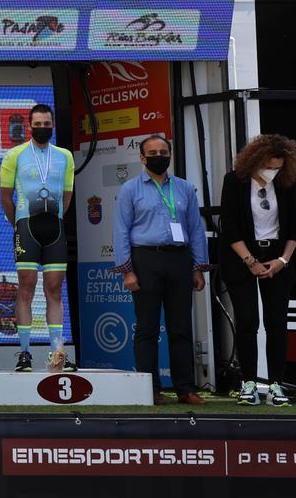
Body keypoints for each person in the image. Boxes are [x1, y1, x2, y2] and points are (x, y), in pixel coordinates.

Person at [113, 134, 210, 406]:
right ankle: (150, 390)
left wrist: (198, 268)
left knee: (181, 328)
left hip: (179, 260)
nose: (159, 156)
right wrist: (127, 271)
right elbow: (120, 231)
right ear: (142, 158)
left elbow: (195, 230)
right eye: (152, 152)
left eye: (163, 151)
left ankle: (185, 389)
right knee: (147, 329)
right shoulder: (130, 189)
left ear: (170, 155)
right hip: (145, 261)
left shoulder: (184, 189)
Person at [219, 134, 296, 407]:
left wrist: (282, 261)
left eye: (278, 167)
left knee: (276, 322)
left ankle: (277, 384)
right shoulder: (234, 182)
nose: (272, 172)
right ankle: (249, 383)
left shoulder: (287, 184)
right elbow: (229, 226)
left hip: (277, 256)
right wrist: (250, 261)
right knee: (247, 320)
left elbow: (294, 228)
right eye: (268, 166)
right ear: (254, 161)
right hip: (242, 256)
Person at [0, 103, 76, 373]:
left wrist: (56, 218)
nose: (43, 128)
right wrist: (18, 223)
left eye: (47, 124)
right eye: (38, 124)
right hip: (26, 227)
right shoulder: (14, 155)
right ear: (29, 126)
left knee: (54, 290)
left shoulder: (65, 155)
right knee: (26, 288)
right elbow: (6, 196)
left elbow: (67, 194)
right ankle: (25, 353)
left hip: (55, 228)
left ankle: (58, 354)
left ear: (53, 124)